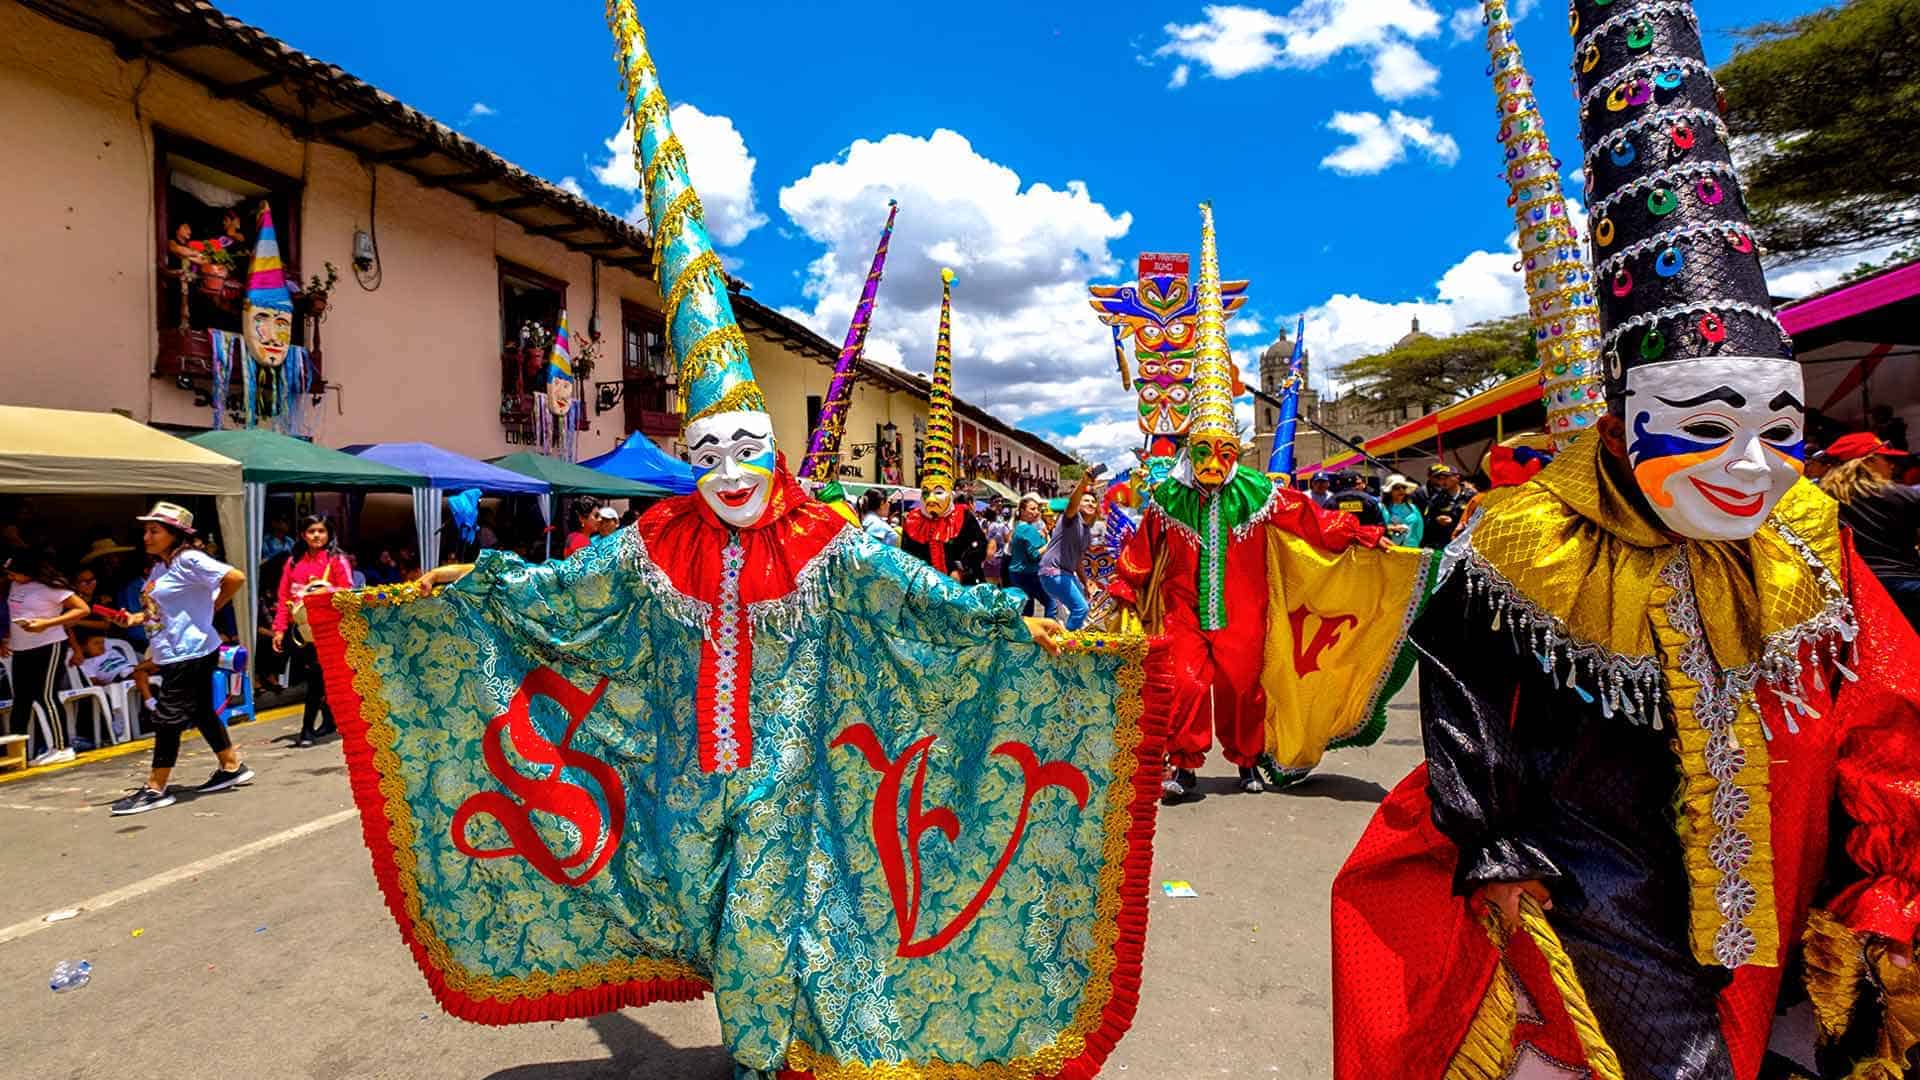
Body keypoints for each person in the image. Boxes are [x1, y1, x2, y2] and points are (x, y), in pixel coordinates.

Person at [301, 29, 1158, 1077]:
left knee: (766, 907)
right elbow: (553, 594)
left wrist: (1028, 626)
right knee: (726, 919)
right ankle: (787, 1031)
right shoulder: (657, 541)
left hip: (797, 776)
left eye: (748, 447)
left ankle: (764, 1058)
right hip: (677, 776)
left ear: (778, 450)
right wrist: (455, 588)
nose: (731, 470)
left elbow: (929, 600)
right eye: (708, 453)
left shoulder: (828, 539)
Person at [1332, 7, 1920, 1077]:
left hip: (1785, 863)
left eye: (1777, 431)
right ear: (1619, 425)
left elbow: (1884, 693)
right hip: (1596, 866)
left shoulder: (1805, 527)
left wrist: (1889, 859)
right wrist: (1492, 841)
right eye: (1705, 428)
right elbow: (1463, 699)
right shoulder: (1521, 536)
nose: (1751, 465)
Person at [1109, 204, 1419, 801]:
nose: (1214, 459)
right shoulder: (1166, 496)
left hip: (1245, 614)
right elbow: (1140, 555)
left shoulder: (1258, 492)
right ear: (1191, 445)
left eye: (1224, 448)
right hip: (1182, 613)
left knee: (1245, 687)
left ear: (1233, 448)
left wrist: (1364, 536)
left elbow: (1314, 522)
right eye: (1203, 447)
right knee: (1185, 685)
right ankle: (1185, 765)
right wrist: (1122, 590)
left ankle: (1248, 759)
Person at [107, 503, 254, 815]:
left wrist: (214, 606)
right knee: (202, 710)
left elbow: (236, 577)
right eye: (145, 530)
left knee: (168, 717)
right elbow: (159, 611)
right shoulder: (162, 567)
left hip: (190, 652)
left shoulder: (190, 560)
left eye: (154, 530)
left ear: (174, 535)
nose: (146, 536)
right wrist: (133, 619)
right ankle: (231, 766)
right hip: (177, 651)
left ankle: (156, 788)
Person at [897, 270, 988, 584]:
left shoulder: (963, 517)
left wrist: (961, 569)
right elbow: (907, 555)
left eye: (938, 491)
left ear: (949, 492)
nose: (931, 498)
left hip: (958, 587)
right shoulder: (912, 521)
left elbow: (978, 547)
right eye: (927, 492)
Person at [1820, 431, 1920, 631]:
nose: (1892, 466)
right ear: (1869, 462)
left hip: (1849, 594)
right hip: (1904, 586)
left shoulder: (1819, 500)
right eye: (1887, 459)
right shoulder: (1903, 496)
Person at [273, 514, 352, 747]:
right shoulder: (293, 562)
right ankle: (328, 721)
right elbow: (283, 597)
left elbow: (348, 593)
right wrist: (279, 629)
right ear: (302, 535)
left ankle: (307, 729)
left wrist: (323, 593)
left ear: (329, 534)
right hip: (302, 633)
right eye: (311, 531)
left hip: (330, 631)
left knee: (318, 679)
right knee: (318, 678)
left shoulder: (337, 560)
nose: (316, 535)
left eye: (321, 531)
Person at [3, 552, 88, 764]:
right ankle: (16, 753)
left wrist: (46, 623)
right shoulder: (16, 586)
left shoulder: (53, 588)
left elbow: (82, 609)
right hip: (21, 647)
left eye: (15, 574)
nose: (12, 578)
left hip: (48, 645)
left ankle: (62, 747)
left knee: (46, 694)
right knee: (21, 698)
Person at [1039, 470, 1102, 630]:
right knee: (1081, 609)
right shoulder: (1071, 519)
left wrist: (1085, 581)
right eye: (1085, 501)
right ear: (1078, 504)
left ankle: (1060, 638)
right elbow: (1072, 503)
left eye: (1093, 502)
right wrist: (1084, 482)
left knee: (1082, 611)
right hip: (1053, 571)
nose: (1090, 504)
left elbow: (1078, 559)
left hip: (1066, 573)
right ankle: (1067, 646)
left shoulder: (1087, 531)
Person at [1007, 493, 1050, 617]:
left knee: (1027, 609)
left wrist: (1043, 536)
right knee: (1051, 602)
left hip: (1018, 573)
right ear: (1022, 511)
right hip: (1028, 573)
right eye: (1032, 509)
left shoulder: (1020, 527)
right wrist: (1049, 544)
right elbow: (1035, 555)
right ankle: (1049, 631)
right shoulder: (1028, 529)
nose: (1036, 512)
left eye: (1037, 509)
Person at [1419, 464, 1471, 547]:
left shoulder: (1471, 496)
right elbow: (1427, 522)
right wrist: (1437, 520)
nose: (1442, 481)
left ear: (1457, 477)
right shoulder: (1436, 498)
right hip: (1445, 545)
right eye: (1439, 479)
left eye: (1446, 477)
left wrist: (1457, 522)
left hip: (1467, 544)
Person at [1380, 475, 1424, 547]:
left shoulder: (1413, 508)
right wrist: (1392, 528)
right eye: (1397, 488)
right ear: (1389, 491)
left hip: (1412, 549)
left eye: (1403, 487)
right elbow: (1376, 528)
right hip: (1390, 549)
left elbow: (1419, 529)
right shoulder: (1381, 508)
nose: (1401, 490)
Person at [983, 504, 1012, 585]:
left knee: (990, 586)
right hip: (999, 559)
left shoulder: (986, 526)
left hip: (987, 559)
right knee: (1000, 586)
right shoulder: (1001, 526)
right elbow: (1008, 540)